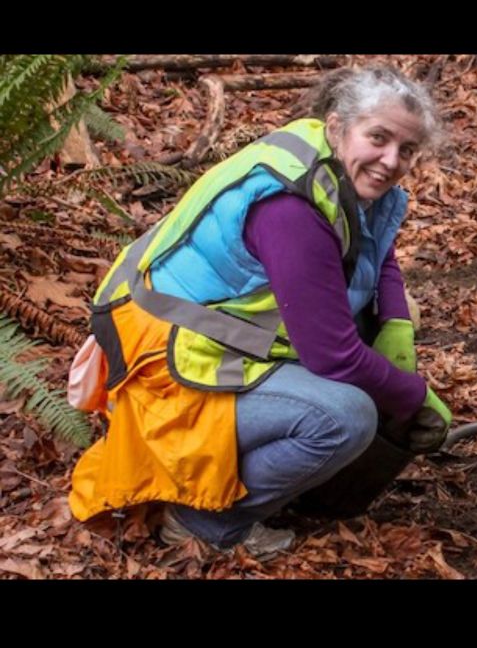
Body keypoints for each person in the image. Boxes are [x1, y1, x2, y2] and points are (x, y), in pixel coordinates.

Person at [69, 65, 452, 559]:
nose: (391, 160)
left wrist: (396, 322)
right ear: (338, 126)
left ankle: (275, 468)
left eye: (407, 150)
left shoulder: (341, 171)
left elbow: (379, 254)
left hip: (219, 335)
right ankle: (201, 523)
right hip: (169, 358)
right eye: (378, 138)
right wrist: (414, 395)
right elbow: (335, 358)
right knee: (346, 417)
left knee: (391, 327)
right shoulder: (292, 208)